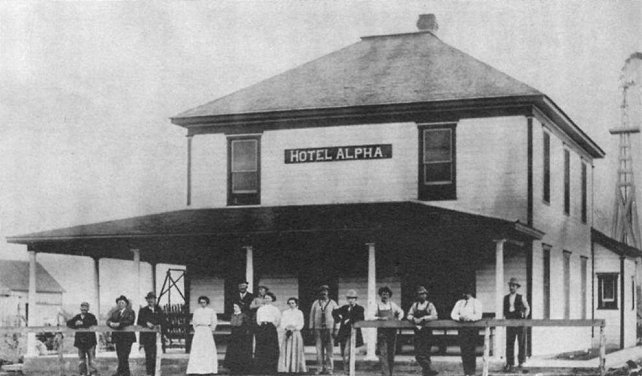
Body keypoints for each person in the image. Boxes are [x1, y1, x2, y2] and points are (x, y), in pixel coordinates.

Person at [450, 285, 483, 376]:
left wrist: (468, 318)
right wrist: (459, 318)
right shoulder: (459, 303)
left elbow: (478, 315)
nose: (464, 294)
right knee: (464, 350)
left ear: (470, 293)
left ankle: (472, 372)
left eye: (466, 292)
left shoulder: (476, 302)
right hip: (462, 329)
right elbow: (453, 314)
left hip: (472, 329)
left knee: (471, 350)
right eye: (464, 293)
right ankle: (466, 372)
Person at [407, 286, 439, 376]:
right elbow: (408, 315)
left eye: (424, 294)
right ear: (417, 295)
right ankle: (431, 369)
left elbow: (435, 316)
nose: (422, 296)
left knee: (426, 353)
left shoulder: (430, 305)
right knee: (418, 355)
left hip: (427, 332)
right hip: (417, 332)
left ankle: (427, 373)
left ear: (426, 295)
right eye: (420, 294)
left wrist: (424, 318)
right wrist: (413, 319)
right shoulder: (415, 305)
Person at [309, 284, 339, 375]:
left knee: (330, 350)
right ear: (320, 293)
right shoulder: (315, 303)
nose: (324, 293)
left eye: (325, 291)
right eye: (322, 291)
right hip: (318, 329)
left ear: (328, 292)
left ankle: (329, 368)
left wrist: (336, 329)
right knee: (319, 350)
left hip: (329, 328)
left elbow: (337, 317)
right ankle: (319, 368)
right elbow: (311, 316)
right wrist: (311, 327)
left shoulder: (333, 303)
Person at [332, 289, 364, 371]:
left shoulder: (360, 308)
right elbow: (334, 312)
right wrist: (338, 319)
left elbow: (360, 319)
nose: (351, 300)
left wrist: (348, 321)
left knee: (348, 353)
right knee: (344, 354)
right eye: (349, 298)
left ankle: (349, 371)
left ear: (356, 299)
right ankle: (346, 371)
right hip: (343, 334)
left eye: (353, 298)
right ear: (347, 299)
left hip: (353, 334)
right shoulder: (344, 308)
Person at [375, 286, 404, 376]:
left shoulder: (392, 305)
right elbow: (370, 316)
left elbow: (401, 312)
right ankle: (385, 374)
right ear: (380, 295)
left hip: (392, 332)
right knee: (383, 353)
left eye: (387, 294)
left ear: (389, 295)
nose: (385, 296)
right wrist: (380, 318)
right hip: (382, 333)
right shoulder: (377, 305)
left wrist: (398, 319)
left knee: (391, 353)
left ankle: (390, 373)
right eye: (383, 294)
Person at [504, 278, 530, 372]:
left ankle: (521, 362)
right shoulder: (506, 298)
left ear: (517, 287)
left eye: (514, 286)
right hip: (510, 322)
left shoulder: (521, 297)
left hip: (520, 322)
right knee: (509, 342)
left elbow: (527, 308)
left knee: (521, 342)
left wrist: (524, 316)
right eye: (510, 285)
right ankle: (510, 363)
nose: (511, 287)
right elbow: (505, 311)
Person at [186, 296, 218, 375]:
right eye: (201, 302)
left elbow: (214, 321)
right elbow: (194, 322)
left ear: (207, 302)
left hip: (207, 330)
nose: (202, 304)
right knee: (198, 349)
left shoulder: (211, 311)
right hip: (199, 331)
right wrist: (197, 329)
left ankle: (208, 368)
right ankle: (196, 369)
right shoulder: (197, 311)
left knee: (207, 349)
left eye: (204, 302)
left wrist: (211, 329)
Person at [106, 295, 136, 376]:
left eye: (122, 303)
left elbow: (130, 321)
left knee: (124, 355)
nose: (120, 304)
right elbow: (108, 321)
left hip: (127, 338)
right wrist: (111, 323)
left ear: (126, 304)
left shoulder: (130, 312)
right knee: (120, 355)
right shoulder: (115, 313)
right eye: (119, 303)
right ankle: (123, 372)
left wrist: (119, 324)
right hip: (118, 338)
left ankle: (123, 372)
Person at [66, 302, 98, 376]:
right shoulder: (77, 317)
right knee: (81, 359)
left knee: (92, 359)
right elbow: (69, 323)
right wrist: (75, 324)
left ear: (88, 308)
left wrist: (82, 323)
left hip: (90, 342)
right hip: (80, 342)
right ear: (80, 308)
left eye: (85, 307)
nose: (83, 309)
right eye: (82, 307)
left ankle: (93, 373)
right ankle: (83, 373)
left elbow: (94, 323)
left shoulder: (91, 316)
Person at [137, 292, 165, 376]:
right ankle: (149, 374)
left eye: (152, 299)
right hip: (147, 338)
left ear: (155, 300)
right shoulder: (143, 310)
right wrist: (146, 323)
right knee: (149, 356)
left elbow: (163, 322)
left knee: (158, 356)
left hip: (158, 337)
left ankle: (157, 373)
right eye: (149, 299)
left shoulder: (159, 310)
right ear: (147, 300)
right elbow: (139, 322)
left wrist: (163, 333)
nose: (151, 300)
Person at [278, 297, 307, 373]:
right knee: (286, 349)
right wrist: (286, 328)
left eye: (293, 303)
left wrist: (294, 328)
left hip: (295, 333)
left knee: (295, 349)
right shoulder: (285, 312)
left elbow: (301, 323)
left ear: (296, 304)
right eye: (290, 303)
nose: (291, 305)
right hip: (287, 333)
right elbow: (282, 323)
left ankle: (295, 368)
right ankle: (286, 367)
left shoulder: (299, 312)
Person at [254, 291, 281, 374]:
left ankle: (271, 368)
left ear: (272, 299)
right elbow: (258, 320)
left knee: (271, 347)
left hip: (271, 328)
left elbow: (278, 320)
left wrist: (272, 325)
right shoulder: (260, 309)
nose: (267, 299)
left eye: (268, 298)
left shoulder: (275, 309)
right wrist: (262, 325)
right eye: (265, 298)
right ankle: (261, 367)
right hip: (262, 328)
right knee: (261, 346)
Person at [225, 303, 253, 374]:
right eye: (234, 307)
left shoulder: (244, 316)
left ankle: (242, 368)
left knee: (241, 351)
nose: (234, 308)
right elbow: (232, 324)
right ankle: (233, 368)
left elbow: (248, 326)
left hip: (242, 336)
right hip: (234, 335)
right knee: (233, 351)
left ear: (240, 307)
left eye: (236, 307)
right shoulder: (232, 315)